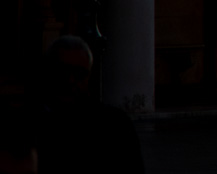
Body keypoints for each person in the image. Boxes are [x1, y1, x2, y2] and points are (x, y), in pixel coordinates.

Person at [26, 36, 144, 174]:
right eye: (63, 71)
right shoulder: (28, 124)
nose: (70, 80)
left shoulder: (115, 124)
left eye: (79, 74)